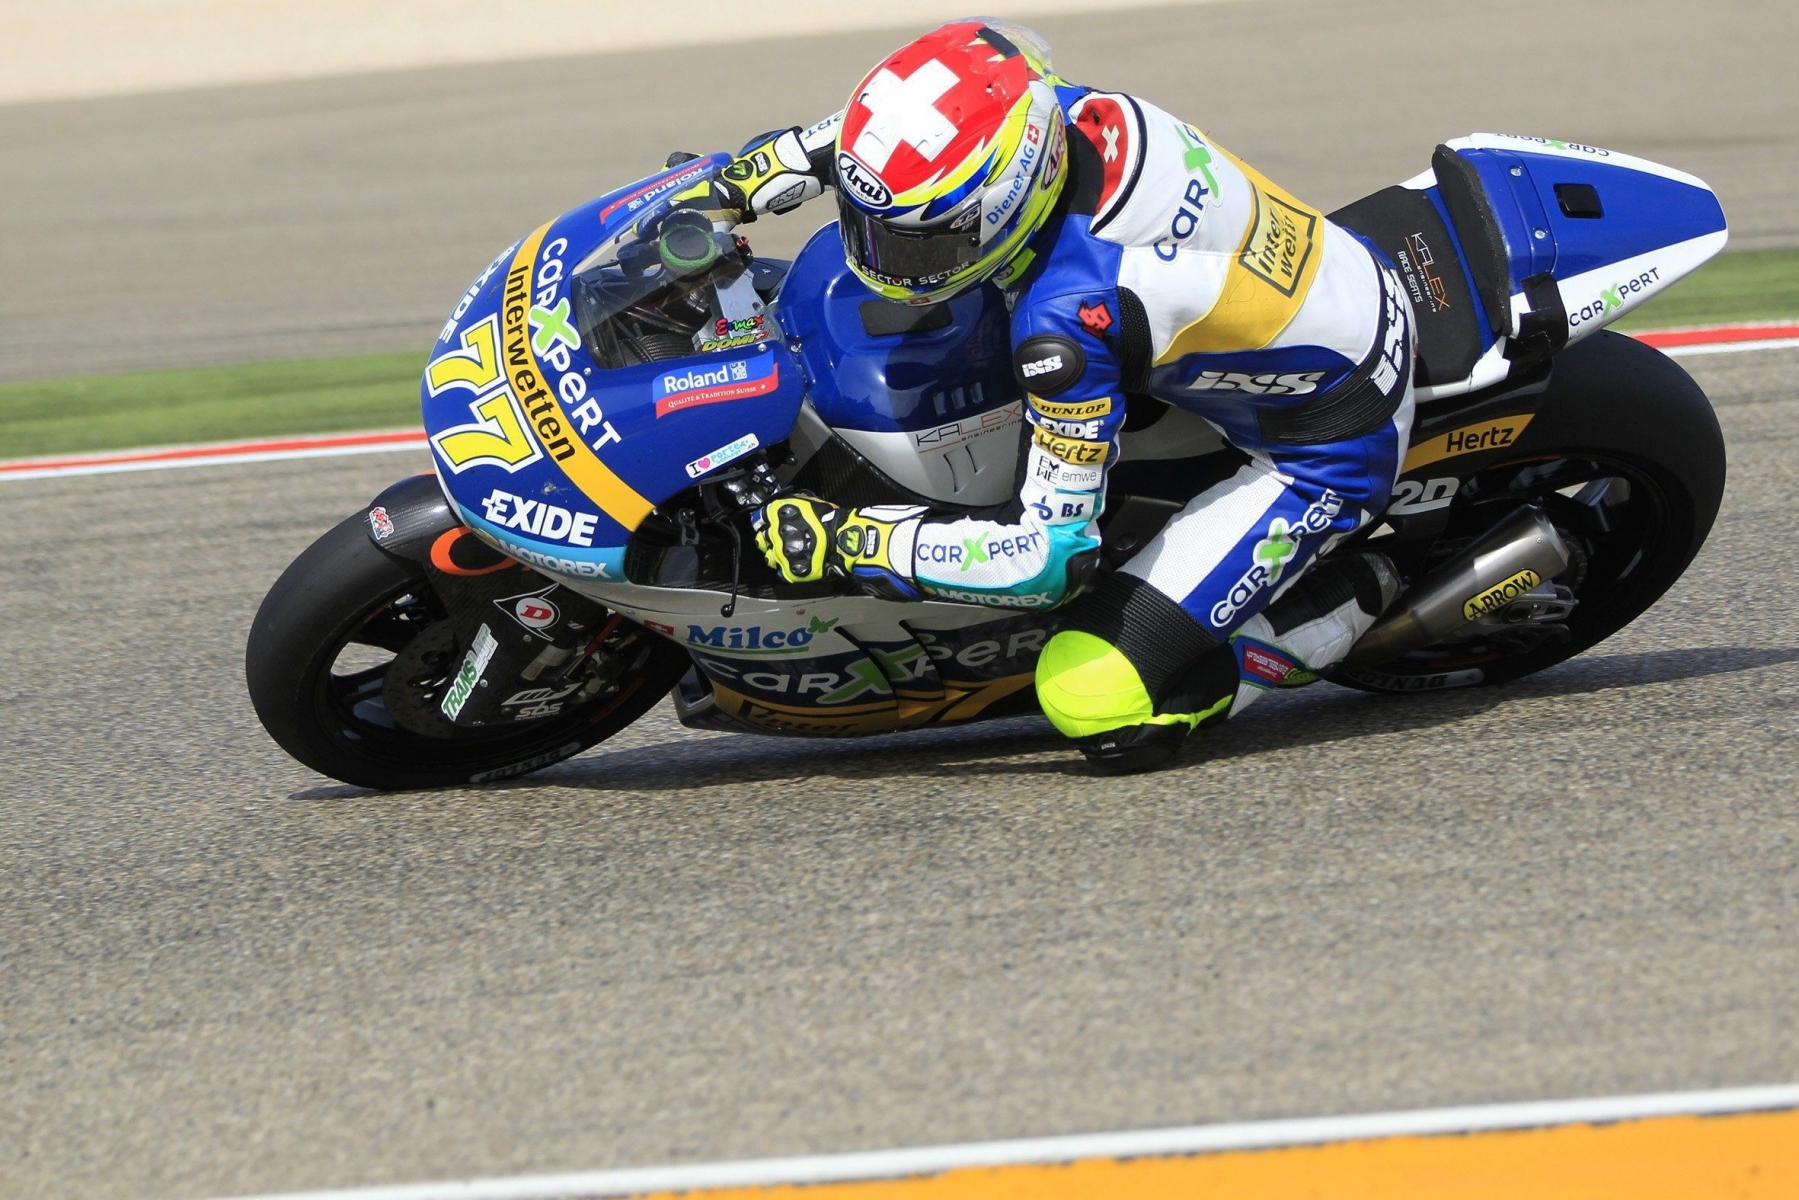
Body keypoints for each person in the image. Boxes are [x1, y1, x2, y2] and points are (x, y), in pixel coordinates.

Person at [681, 18, 1414, 773]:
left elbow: (1044, 561)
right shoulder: (1029, 105)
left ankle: (1356, 594)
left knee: (1095, 698)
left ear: (1006, 200)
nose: (885, 262)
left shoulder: (1065, 321)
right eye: (871, 232)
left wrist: (854, 542)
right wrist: (744, 179)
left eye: (920, 244)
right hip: (1282, 304)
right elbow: (887, 129)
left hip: (1326, 438)